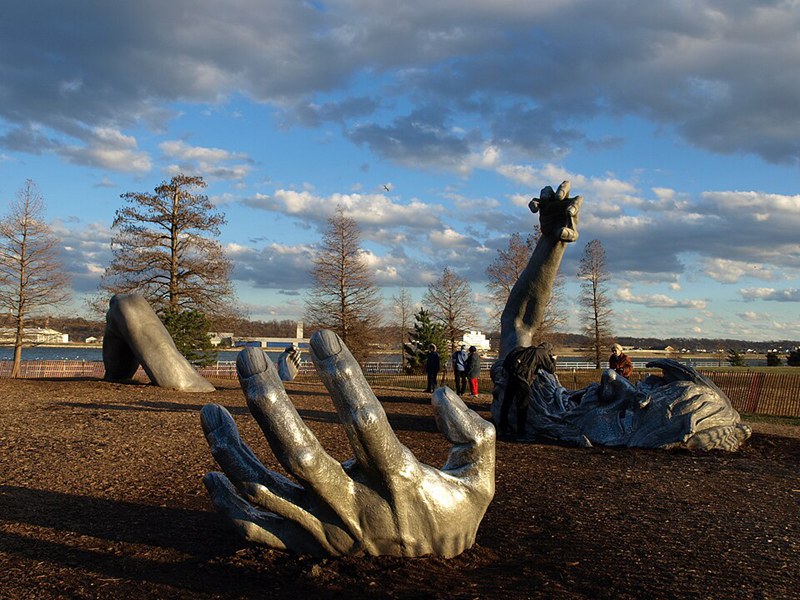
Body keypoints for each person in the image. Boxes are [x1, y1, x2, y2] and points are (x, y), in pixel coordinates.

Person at [499, 342, 557, 436]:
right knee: (523, 405)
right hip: (523, 381)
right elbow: (551, 369)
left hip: (512, 378)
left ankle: (502, 428)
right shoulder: (541, 352)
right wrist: (553, 360)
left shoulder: (524, 350)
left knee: (507, 403)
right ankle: (521, 432)